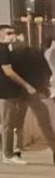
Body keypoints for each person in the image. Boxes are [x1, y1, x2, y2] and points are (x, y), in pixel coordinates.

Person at [9, 27, 55, 165]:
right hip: (34, 91)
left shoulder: (12, 55)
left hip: (19, 91)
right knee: (44, 123)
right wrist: (44, 87)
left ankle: (16, 149)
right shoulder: (37, 53)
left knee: (18, 121)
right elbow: (46, 71)